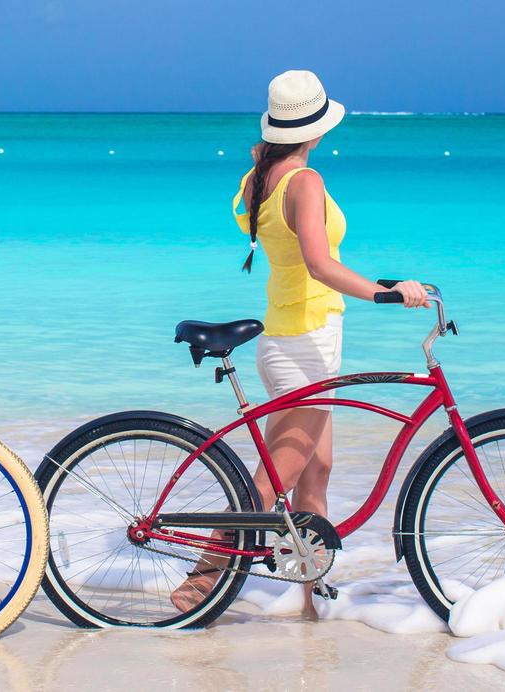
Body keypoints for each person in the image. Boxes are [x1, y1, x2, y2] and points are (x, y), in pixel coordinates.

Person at [171, 69, 429, 620]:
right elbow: (318, 262)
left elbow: (303, 261)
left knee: (317, 472)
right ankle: (202, 580)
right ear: (316, 128)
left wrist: (378, 285)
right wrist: (385, 295)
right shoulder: (303, 182)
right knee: (277, 479)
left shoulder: (263, 176)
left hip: (296, 337)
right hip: (304, 343)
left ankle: (311, 598)